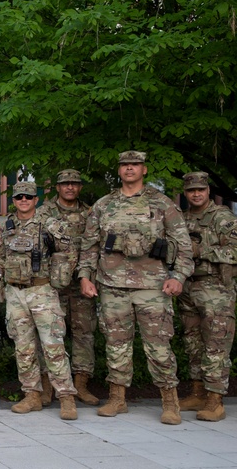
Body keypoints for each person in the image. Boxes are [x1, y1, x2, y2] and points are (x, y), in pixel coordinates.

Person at [79, 151, 194, 424]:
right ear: (119, 171)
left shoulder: (162, 204)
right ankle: (117, 399)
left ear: (144, 169)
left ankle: (170, 402)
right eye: (125, 165)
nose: (129, 169)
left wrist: (178, 276)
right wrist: (85, 276)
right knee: (116, 344)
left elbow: (185, 247)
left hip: (153, 286)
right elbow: (89, 245)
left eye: (135, 165)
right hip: (112, 285)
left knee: (159, 345)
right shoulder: (104, 205)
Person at [0, 181, 78, 420]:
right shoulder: (5, 226)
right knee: (23, 347)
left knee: (53, 346)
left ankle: (66, 397)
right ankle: (32, 394)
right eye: (19, 196)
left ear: (35, 199)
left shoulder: (49, 224)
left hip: (42, 292)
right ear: (14, 200)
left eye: (28, 197)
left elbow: (68, 252)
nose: (23, 200)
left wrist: (59, 275)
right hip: (16, 294)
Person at [36, 169, 100, 405]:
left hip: (82, 282)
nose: (70, 187)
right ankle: (48, 386)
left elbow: (95, 247)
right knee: (50, 333)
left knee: (84, 333)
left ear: (80, 187)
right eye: (65, 184)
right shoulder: (44, 213)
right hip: (53, 284)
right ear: (58, 187)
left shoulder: (90, 214)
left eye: (74, 183)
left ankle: (81, 385)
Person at [176, 171, 235, 421]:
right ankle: (198, 391)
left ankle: (215, 399)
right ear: (186, 193)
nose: (196, 194)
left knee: (216, 343)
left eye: (200, 189)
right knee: (193, 342)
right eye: (191, 191)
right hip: (188, 287)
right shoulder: (182, 218)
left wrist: (203, 250)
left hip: (216, 289)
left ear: (208, 191)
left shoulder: (223, 217)